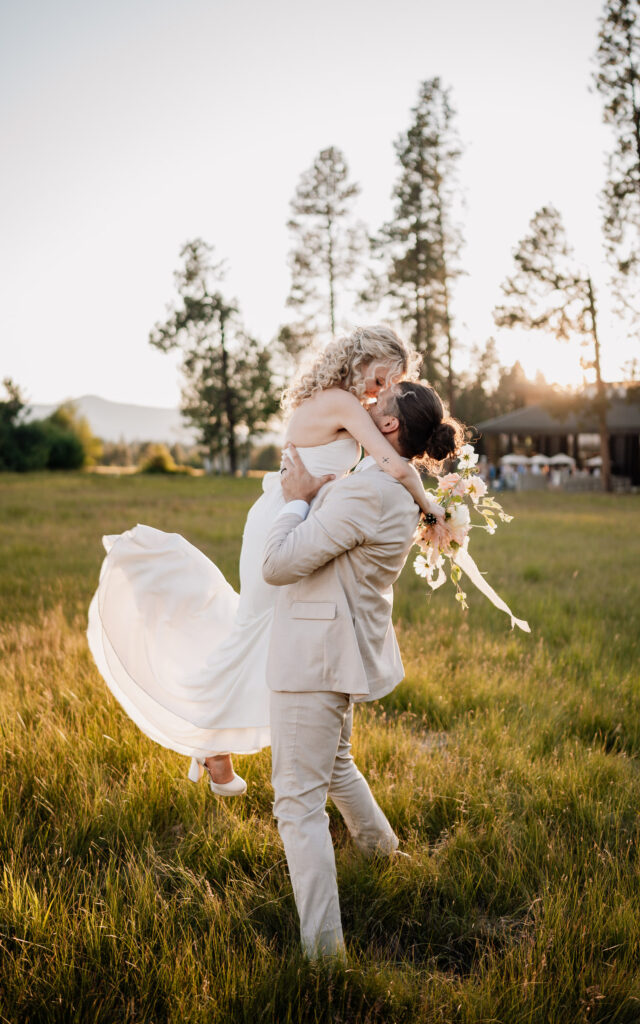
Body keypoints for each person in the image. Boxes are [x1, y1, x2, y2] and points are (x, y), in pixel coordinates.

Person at [87, 326, 445, 796]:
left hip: (293, 520)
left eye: (394, 382)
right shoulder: (341, 403)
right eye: (385, 376)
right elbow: (393, 466)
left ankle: (238, 748)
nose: (384, 390)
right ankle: (212, 747)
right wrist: (432, 507)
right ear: (368, 358)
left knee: (262, 635)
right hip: (284, 522)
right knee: (253, 634)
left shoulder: (334, 399)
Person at [261, 379, 463, 959]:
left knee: (296, 804)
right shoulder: (394, 485)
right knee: (336, 765)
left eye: (379, 403)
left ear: (392, 427)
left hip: (314, 658)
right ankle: (383, 854)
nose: (366, 403)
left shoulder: (368, 493)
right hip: (337, 649)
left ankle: (326, 959)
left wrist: (297, 498)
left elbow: (278, 564)